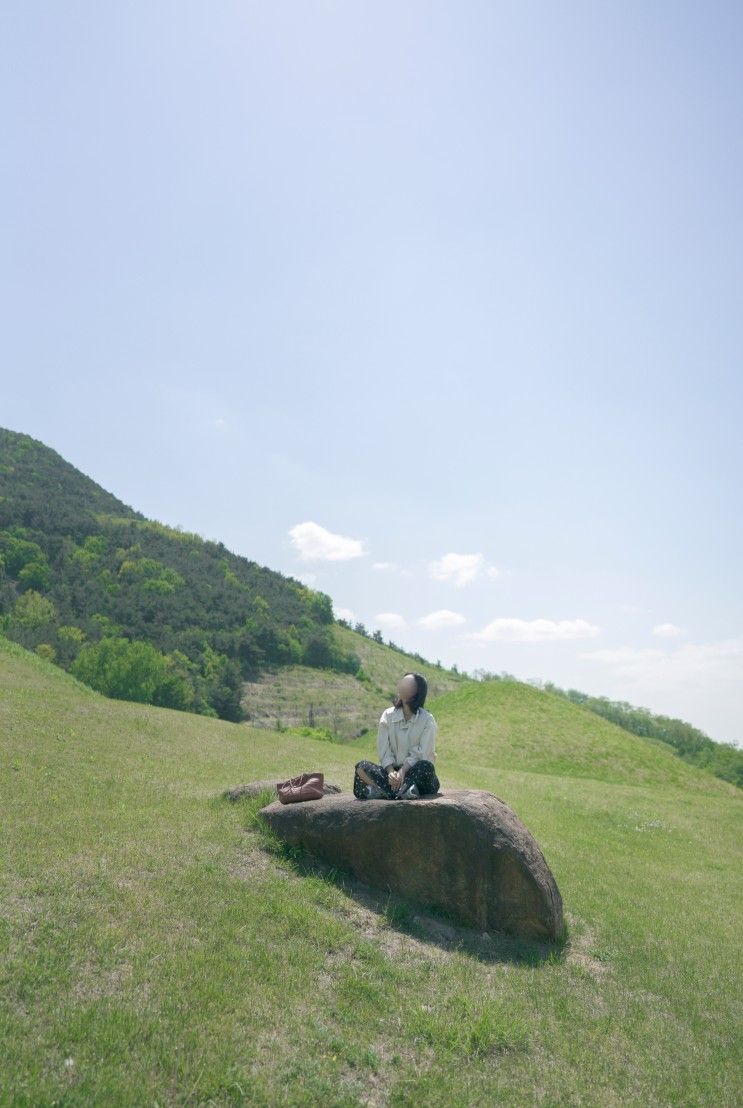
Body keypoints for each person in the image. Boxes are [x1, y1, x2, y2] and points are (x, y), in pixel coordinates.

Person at [353, 672, 441, 799]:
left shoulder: (427, 720)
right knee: (361, 767)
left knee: (425, 767)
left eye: (407, 684)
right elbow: (384, 750)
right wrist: (391, 772)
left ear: (417, 692)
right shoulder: (387, 715)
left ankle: (385, 792)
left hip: (414, 772)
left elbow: (423, 753)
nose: (401, 685)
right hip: (392, 774)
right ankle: (404, 792)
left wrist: (403, 771)